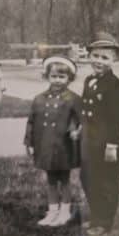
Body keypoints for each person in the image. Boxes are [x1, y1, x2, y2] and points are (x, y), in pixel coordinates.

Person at [24, 55, 81, 227]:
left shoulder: (73, 98)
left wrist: (77, 131)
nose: (57, 80)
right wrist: (30, 143)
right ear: (47, 76)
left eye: (62, 77)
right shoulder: (39, 99)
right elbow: (31, 122)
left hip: (64, 147)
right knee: (50, 179)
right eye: (54, 76)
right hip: (45, 146)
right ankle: (52, 211)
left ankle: (64, 212)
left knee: (63, 180)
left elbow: (84, 120)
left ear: (69, 78)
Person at [80, 32, 119, 235]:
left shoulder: (117, 86)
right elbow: (86, 111)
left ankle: (104, 222)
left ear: (114, 60)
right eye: (96, 56)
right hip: (90, 141)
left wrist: (112, 146)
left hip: (108, 143)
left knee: (107, 181)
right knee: (88, 177)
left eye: (105, 57)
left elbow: (116, 121)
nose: (99, 61)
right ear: (89, 55)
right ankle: (96, 215)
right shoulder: (89, 80)